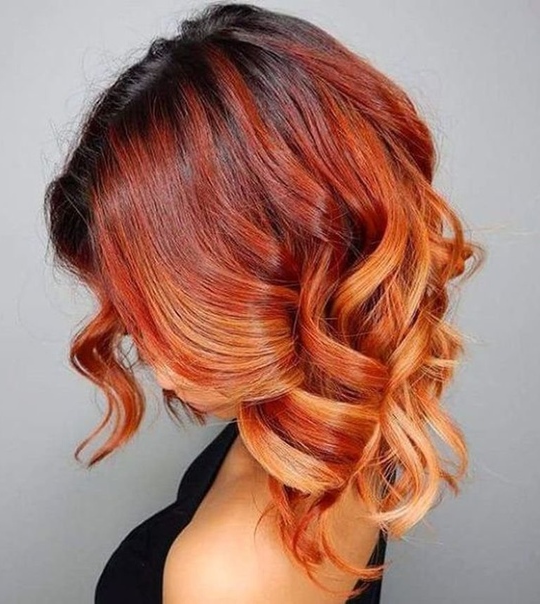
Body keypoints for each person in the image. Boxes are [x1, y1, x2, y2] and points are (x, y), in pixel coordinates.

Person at [43, 3, 486, 602]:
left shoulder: (223, 578)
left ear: (278, 265)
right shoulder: (350, 403)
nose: (153, 363)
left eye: (170, 309)